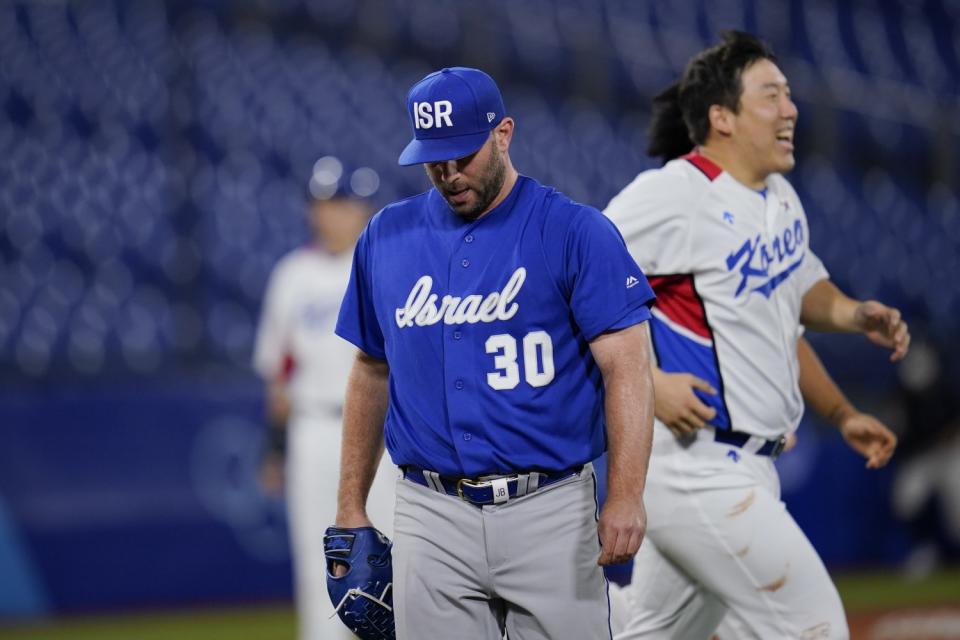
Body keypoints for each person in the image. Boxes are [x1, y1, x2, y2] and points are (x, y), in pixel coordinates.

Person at [603, 31, 909, 640]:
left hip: (748, 467)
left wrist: (850, 338)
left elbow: (789, 309)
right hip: (698, 469)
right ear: (722, 117)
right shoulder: (673, 194)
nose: (790, 108)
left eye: (788, 94)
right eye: (770, 95)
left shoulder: (777, 198)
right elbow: (571, 284)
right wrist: (647, 381)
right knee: (815, 626)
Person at [332, 67, 657, 640]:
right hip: (430, 512)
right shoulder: (386, 236)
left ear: (503, 133)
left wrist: (626, 494)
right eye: (435, 160)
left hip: (551, 508)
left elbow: (626, 367)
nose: (449, 174)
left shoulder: (575, 231)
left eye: (464, 155)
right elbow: (370, 369)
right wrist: (350, 505)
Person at [252, 168, 397, 640]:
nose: (330, 214)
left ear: (365, 208)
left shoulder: (388, 263)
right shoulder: (293, 274)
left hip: (386, 431)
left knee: (396, 553)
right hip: (313, 427)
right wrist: (274, 447)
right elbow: (280, 372)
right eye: (322, 203)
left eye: (341, 203)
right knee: (321, 562)